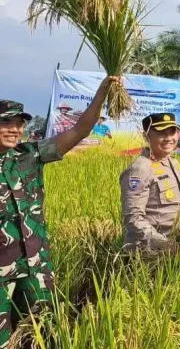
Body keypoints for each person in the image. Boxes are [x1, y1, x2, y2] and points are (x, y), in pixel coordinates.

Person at [0, 76, 118, 349]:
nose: (15, 129)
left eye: (19, 123)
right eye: (6, 122)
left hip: (36, 268)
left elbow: (79, 131)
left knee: (41, 335)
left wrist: (101, 94)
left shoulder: (30, 156)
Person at [120, 113, 180, 253]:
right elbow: (133, 219)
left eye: (172, 132)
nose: (169, 138)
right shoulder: (139, 169)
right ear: (146, 136)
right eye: (161, 133)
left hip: (176, 248)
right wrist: (164, 244)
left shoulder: (174, 163)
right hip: (149, 253)